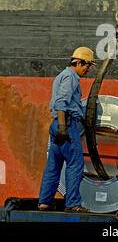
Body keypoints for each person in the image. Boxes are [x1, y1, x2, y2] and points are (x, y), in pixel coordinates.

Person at [38, 47, 96, 212]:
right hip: (66, 125)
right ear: (77, 62)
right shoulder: (71, 78)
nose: (87, 69)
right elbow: (61, 103)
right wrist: (64, 127)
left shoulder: (61, 76)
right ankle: (72, 204)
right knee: (75, 164)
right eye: (86, 65)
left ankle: (44, 202)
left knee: (53, 165)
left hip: (57, 124)